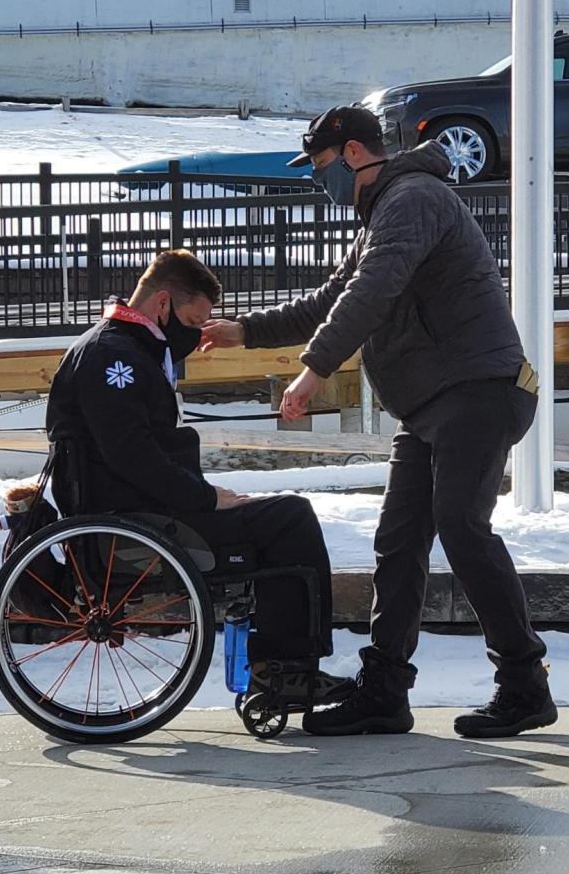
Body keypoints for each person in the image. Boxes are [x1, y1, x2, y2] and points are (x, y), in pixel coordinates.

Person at [201, 105, 556, 740]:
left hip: (477, 389)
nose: (318, 178)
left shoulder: (414, 198)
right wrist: (244, 331)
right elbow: (333, 298)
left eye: (319, 164)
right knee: (398, 542)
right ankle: (385, 691)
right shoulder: (385, 213)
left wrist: (314, 371)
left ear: (356, 155)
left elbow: (373, 293)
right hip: (432, 404)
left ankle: (525, 684)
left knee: (460, 527)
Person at [46, 248, 346, 692]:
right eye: (190, 324)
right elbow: (132, 456)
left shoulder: (118, 349)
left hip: (140, 510)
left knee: (277, 520)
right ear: (162, 303)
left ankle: (280, 665)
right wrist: (205, 497)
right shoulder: (116, 359)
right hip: (137, 524)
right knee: (290, 520)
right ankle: (286, 669)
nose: (192, 338)